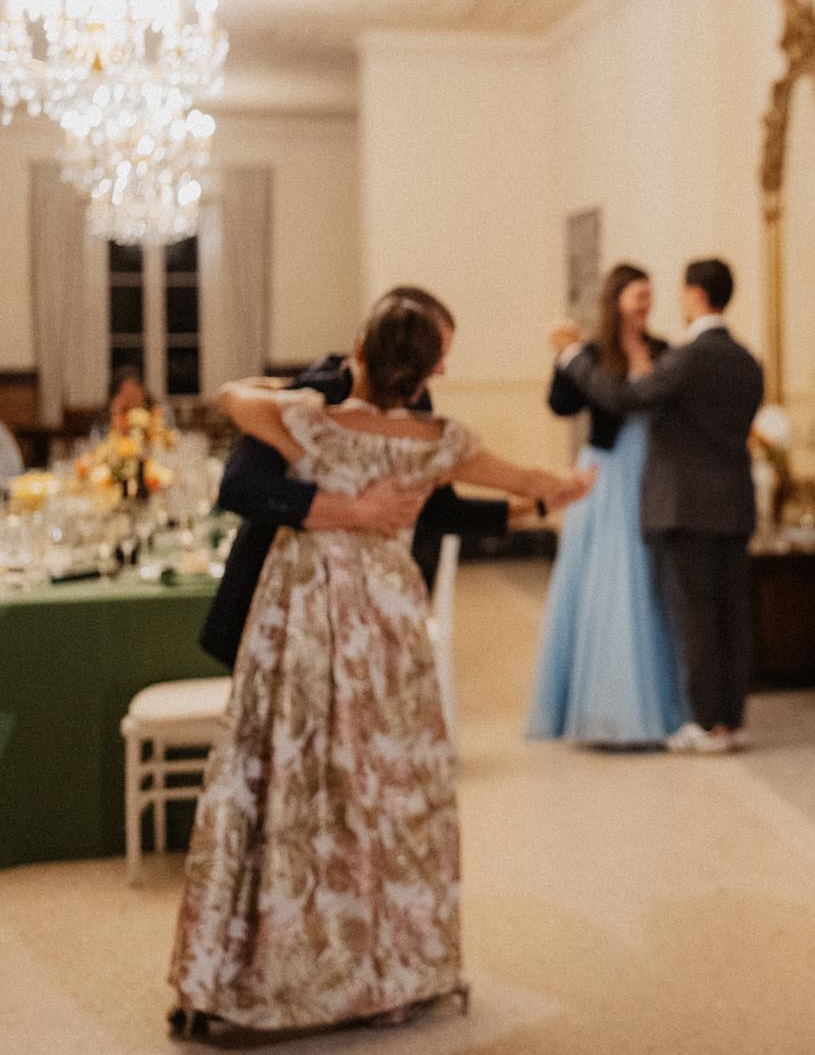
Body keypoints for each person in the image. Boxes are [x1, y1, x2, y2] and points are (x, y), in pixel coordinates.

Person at [168, 296, 595, 1035]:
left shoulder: (307, 417)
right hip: (387, 623)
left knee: (282, 782)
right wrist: (557, 490)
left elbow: (231, 397)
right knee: (389, 787)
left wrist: (291, 398)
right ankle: (387, 966)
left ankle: (265, 970)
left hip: (300, 613)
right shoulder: (440, 437)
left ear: (361, 347)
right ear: (424, 366)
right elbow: (528, 478)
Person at [198, 287, 531, 668]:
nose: (441, 368)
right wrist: (354, 510)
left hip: (362, 614)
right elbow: (240, 487)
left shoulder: (416, 407)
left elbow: (435, 509)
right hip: (276, 605)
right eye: (435, 352)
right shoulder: (318, 393)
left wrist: (528, 508)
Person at [553, 258, 764, 754]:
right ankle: (734, 720)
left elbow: (624, 398)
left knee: (696, 615)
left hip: (686, 504)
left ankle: (707, 723)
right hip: (734, 500)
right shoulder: (748, 361)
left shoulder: (687, 359)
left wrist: (571, 359)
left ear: (693, 296)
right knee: (734, 613)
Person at [527, 263, 690, 745]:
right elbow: (561, 406)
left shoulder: (662, 351)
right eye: (638, 294)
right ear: (616, 297)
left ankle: (661, 704)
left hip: (652, 468)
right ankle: (604, 706)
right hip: (608, 468)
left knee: (651, 579)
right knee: (608, 578)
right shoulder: (594, 352)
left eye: (649, 294)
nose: (645, 302)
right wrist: (563, 359)